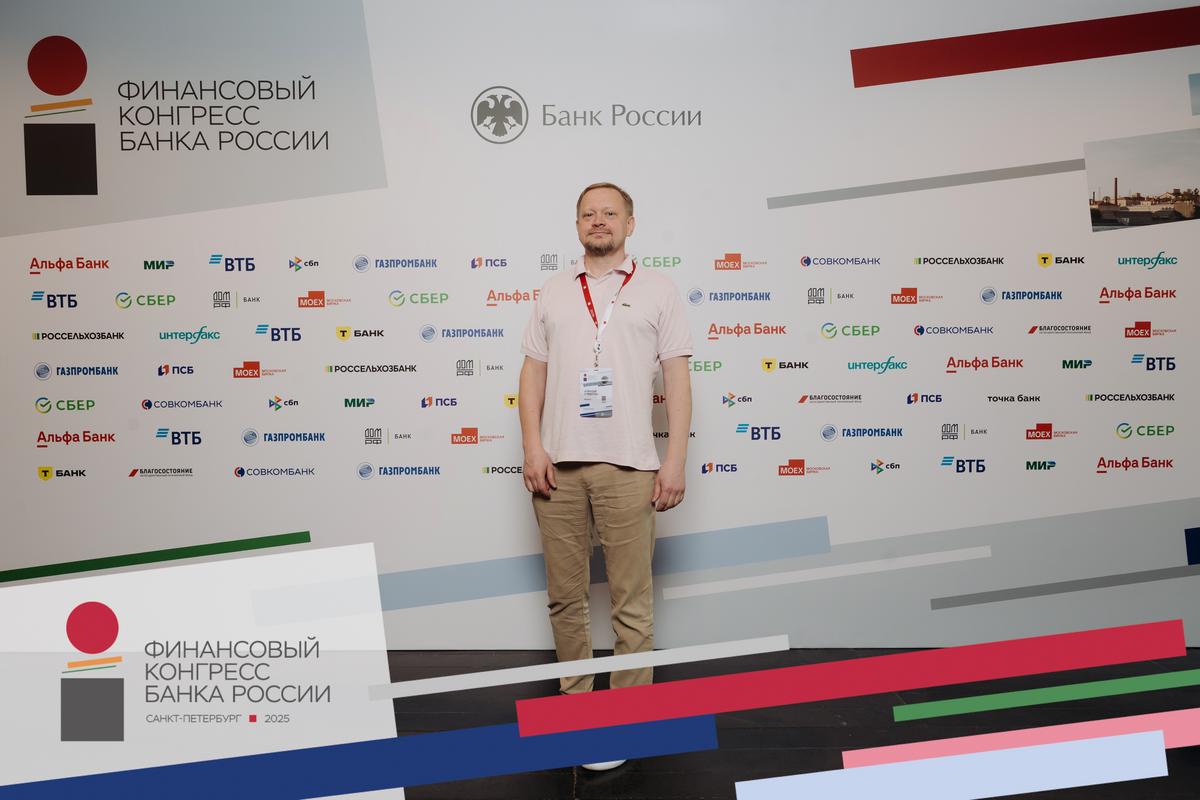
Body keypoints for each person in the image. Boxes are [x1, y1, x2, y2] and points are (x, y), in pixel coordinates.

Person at [518, 182, 693, 771]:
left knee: (630, 603)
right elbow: (532, 375)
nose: (599, 221)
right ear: (577, 225)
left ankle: (624, 720)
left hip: (630, 465)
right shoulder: (552, 291)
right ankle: (576, 710)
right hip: (558, 467)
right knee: (565, 600)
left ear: (630, 223)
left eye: (610, 213)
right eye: (588, 213)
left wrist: (674, 460)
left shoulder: (659, 290)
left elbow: (679, 380)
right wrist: (532, 447)